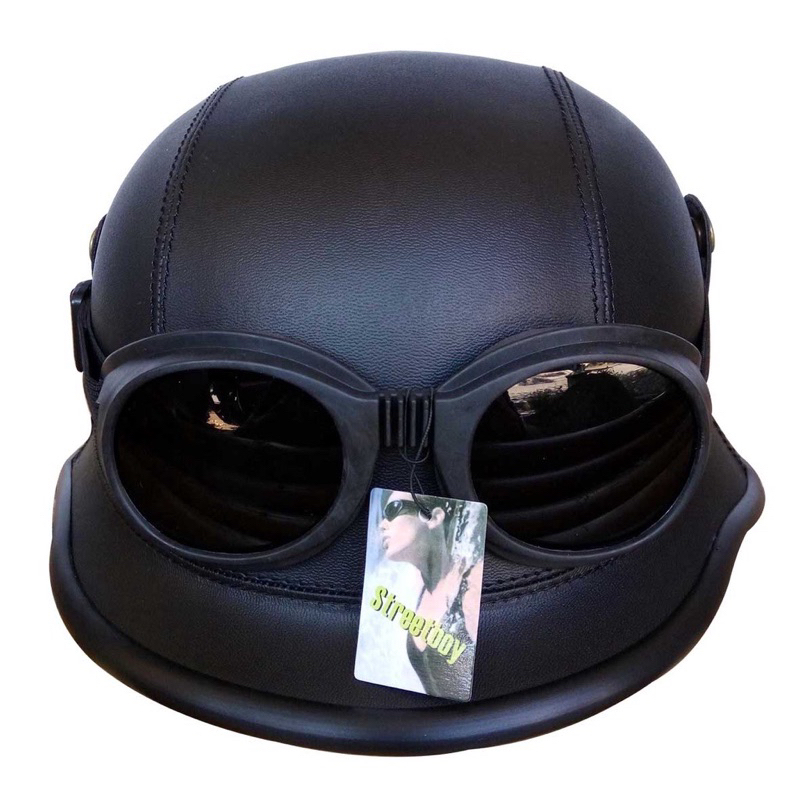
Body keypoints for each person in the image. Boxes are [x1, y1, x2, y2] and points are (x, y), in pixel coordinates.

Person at [379, 490, 484, 698]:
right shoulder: (420, 584)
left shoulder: (472, 585)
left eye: (393, 509)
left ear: (433, 518)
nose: (382, 525)